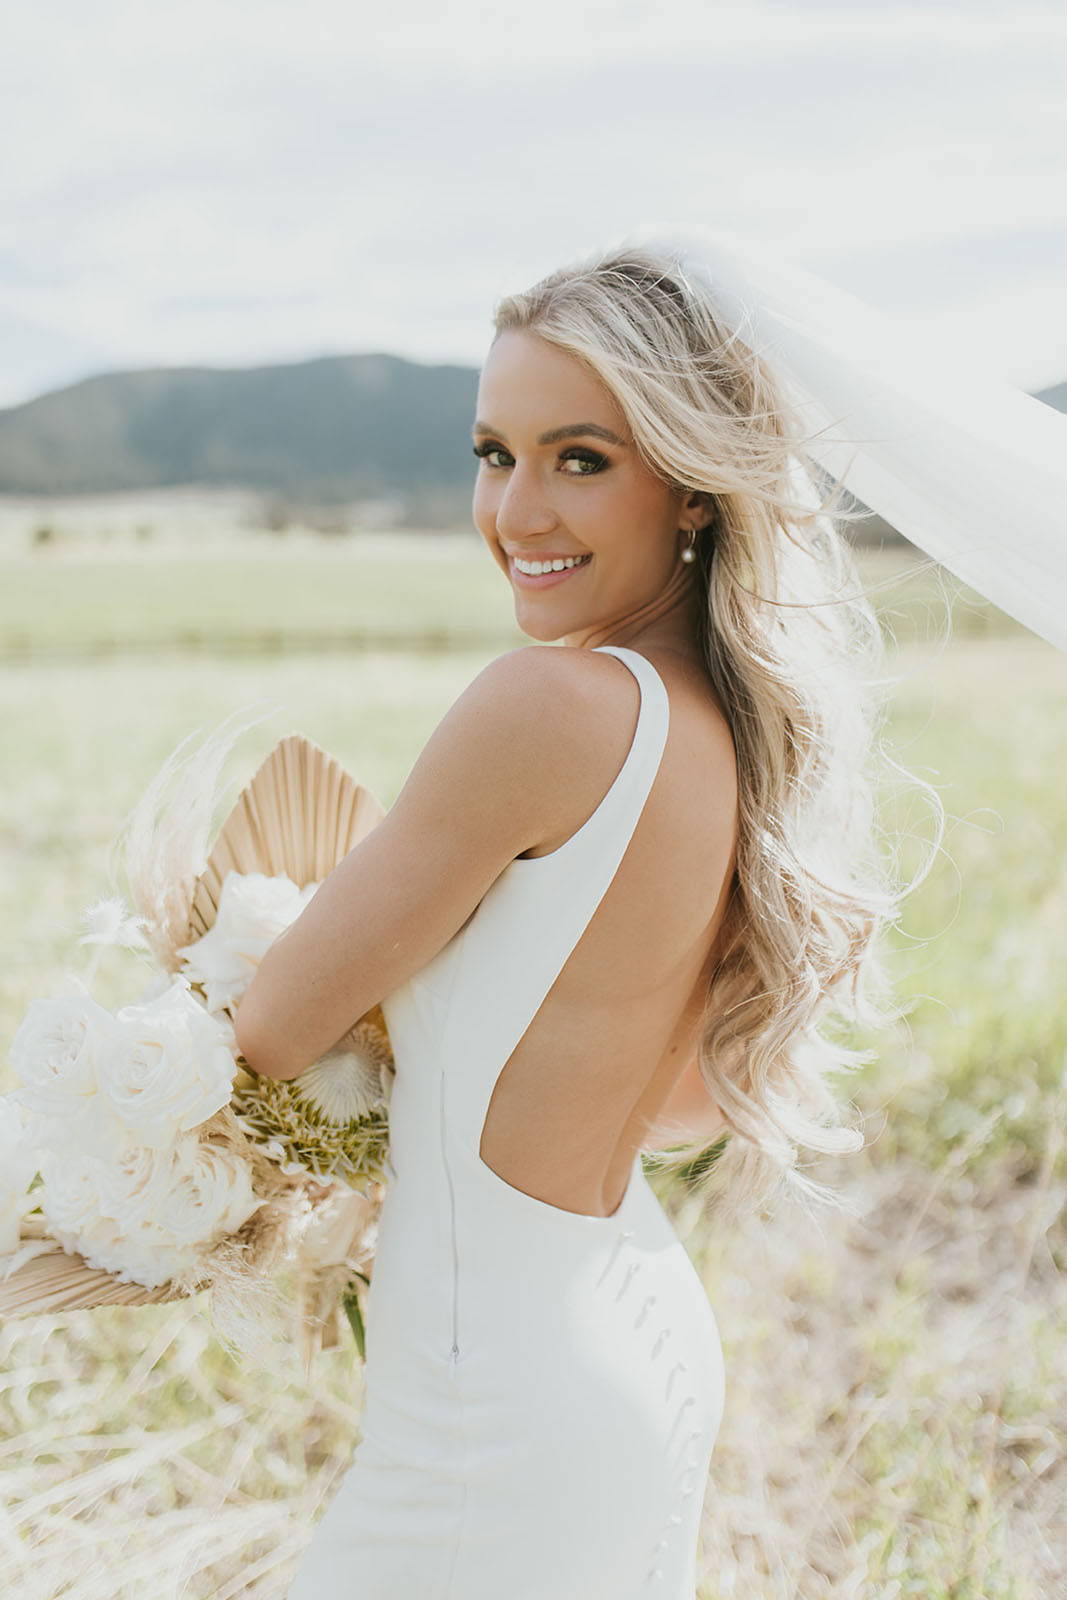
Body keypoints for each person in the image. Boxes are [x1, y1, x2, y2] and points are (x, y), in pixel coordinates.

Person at [235, 241, 913, 1597]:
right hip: (624, 1338)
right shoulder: (721, 733)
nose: (518, 508)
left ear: (693, 488)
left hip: (498, 1409)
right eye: (496, 453)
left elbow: (263, 1032)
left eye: (581, 457)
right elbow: (667, 1103)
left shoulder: (548, 708)